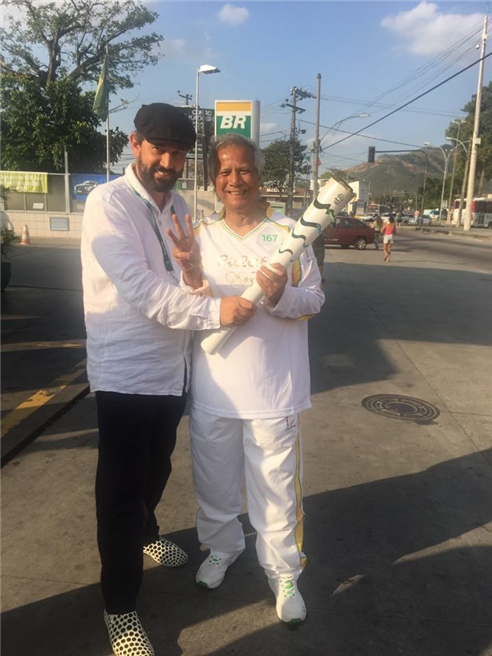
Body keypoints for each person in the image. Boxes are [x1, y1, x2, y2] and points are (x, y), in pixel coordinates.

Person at [81, 104, 255, 656]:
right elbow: (141, 289)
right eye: (159, 148)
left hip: (172, 371)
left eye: (180, 152)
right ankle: (121, 609)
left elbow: (188, 285)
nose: (169, 161)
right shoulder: (106, 203)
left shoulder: (181, 205)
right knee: (120, 490)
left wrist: (196, 274)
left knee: (158, 468)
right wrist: (215, 311)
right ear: (135, 144)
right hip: (124, 374)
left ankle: (149, 534)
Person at [169, 133, 325, 625]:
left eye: (244, 170)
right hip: (214, 390)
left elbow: (315, 300)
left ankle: (283, 572)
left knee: (276, 490)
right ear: (214, 180)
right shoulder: (203, 233)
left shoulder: (290, 234)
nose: (234, 180)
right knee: (215, 485)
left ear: (259, 177)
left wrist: (280, 297)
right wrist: (194, 276)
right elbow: (187, 305)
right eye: (224, 171)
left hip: (274, 392)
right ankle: (221, 547)